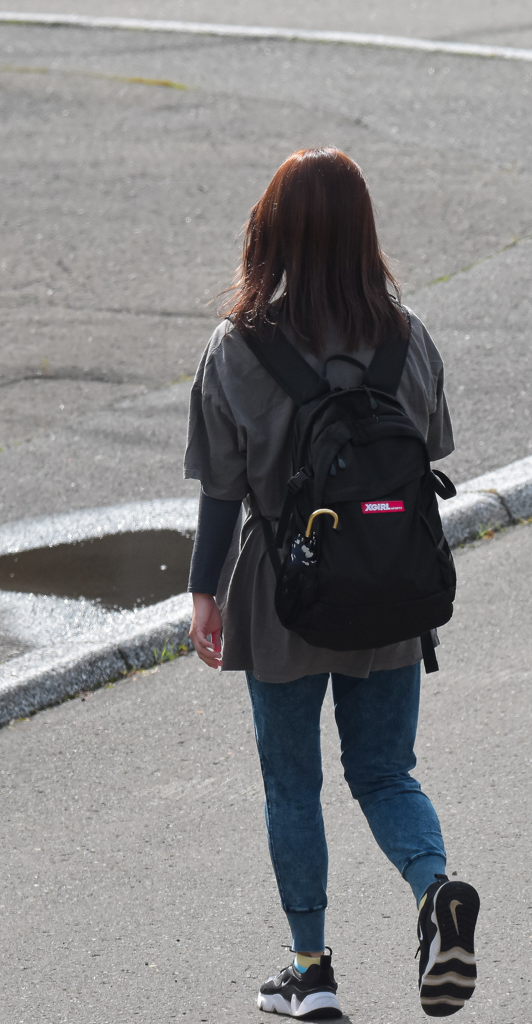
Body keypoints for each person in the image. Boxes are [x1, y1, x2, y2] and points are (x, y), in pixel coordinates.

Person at [183, 148, 480, 1019]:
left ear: (269, 232)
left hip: (283, 602)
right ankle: (435, 895)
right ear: (364, 234)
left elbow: (222, 490)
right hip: (390, 593)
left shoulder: (239, 348)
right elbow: (428, 449)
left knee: (292, 785)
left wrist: (204, 590)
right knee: (386, 774)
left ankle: (311, 972)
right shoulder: (406, 337)